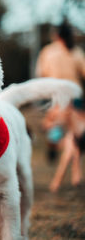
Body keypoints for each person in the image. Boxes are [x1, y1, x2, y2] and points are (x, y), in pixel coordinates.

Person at [36, 21, 85, 192]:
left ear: (56, 35)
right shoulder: (77, 52)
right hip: (75, 97)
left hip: (57, 98)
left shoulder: (47, 52)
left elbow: (41, 74)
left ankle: (56, 149)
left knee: (58, 134)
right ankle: (75, 174)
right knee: (75, 137)